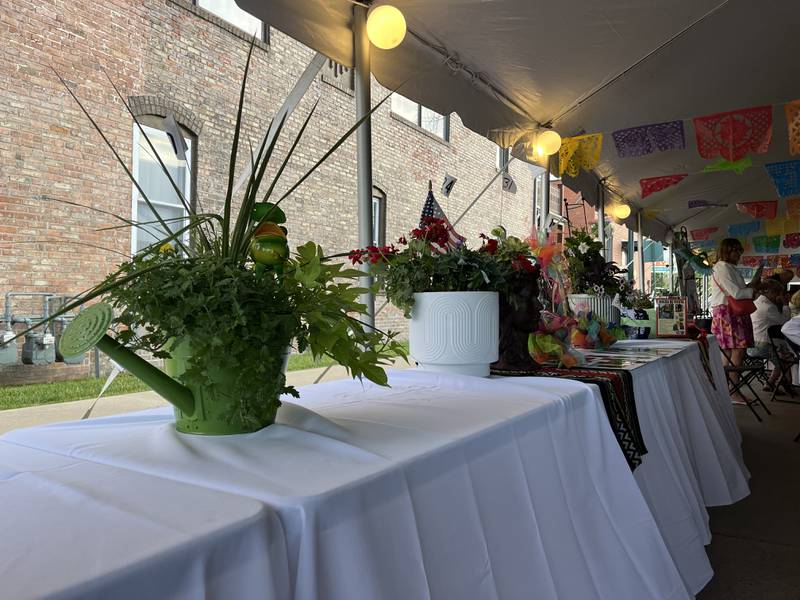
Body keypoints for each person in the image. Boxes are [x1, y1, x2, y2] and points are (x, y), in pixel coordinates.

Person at [711, 238, 758, 402]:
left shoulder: (728, 267)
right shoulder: (722, 267)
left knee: (731, 352)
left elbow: (738, 291)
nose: (739, 254)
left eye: (739, 250)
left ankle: (726, 390)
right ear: (727, 251)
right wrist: (753, 290)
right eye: (736, 250)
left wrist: (752, 287)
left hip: (730, 311)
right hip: (728, 312)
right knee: (737, 350)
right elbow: (737, 293)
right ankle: (733, 391)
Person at [748, 279, 791, 390]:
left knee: (784, 352)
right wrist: (786, 305)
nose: (779, 296)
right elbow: (785, 322)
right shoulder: (769, 307)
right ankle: (772, 382)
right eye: (778, 293)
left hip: (751, 345)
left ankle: (782, 382)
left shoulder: (756, 303)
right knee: (788, 358)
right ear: (771, 292)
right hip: (762, 347)